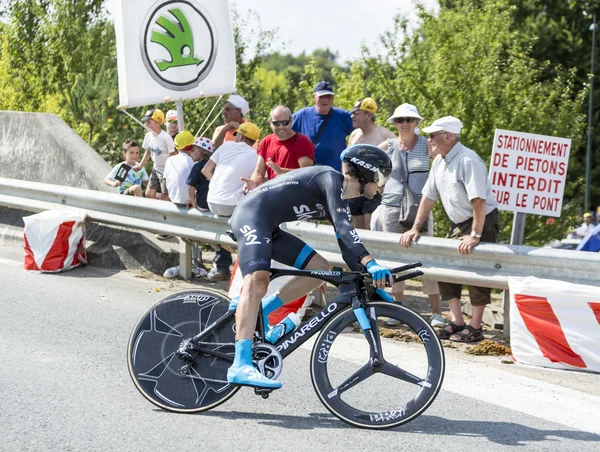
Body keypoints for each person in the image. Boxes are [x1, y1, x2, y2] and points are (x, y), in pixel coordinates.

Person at [227, 144, 394, 389]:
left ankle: (262, 310)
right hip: (250, 216)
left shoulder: (338, 198)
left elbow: (347, 247)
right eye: (381, 176)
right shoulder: (330, 179)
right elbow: (345, 229)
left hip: (269, 225)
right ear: (364, 172)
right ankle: (240, 364)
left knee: (321, 269)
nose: (382, 184)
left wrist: (368, 279)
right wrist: (371, 262)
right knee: (258, 280)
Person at [400, 116, 500, 343]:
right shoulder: (439, 161)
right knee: (445, 266)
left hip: (480, 219)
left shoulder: (468, 160)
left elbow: (479, 201)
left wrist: (475, 234)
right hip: (460, 221)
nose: (428, 139)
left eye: (433, 135)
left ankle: (475, 328)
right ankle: (457, 321)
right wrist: (415, 228)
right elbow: (428, 197)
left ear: (448, 136)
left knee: (476, 271)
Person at [371, 103, 443, 328]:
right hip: (392, 207)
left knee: (426, 258)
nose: (405, 124)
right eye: (400, 120)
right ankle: (397, 309)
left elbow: (442, 162)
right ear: (394, 123)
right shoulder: (388, 146)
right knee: (394, 261)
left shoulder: (426, 144)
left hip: (420, 208)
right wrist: (379, 186)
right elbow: (369, 163)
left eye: (409, 120)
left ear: (416, 123)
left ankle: (436, 312)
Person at [201, 122, 260, 282]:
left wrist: (216, 184)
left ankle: (224, 262)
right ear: (254, 141)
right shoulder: (255, 155)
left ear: (239, 135)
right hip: (232, 205)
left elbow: (205, 170)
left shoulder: (225, 147)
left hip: (211, 201)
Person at [346, 97, 395, 229]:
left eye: (356, 113)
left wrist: (383, 185)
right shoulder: (354, 135)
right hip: (355, 189)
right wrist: (345, 181)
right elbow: (346, 158)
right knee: (358, 232)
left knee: (371, 229)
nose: (352, 116)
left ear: (368, 115)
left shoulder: (385, 135)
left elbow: (396, 162)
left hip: (373, 189)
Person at [292, 81, 354, 171]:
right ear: (314, 97)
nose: (325, 100)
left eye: (329, 97)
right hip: (307, 172)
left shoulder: (343, 116)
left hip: (335, 172)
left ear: (333, 98)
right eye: (322, 97)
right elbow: (285, 134)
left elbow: (361, 130)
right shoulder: (301, 116)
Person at [248, 105, 314, 186]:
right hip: (274, 195)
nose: (281, 127)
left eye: (285, 123)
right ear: (270, 122)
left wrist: (282, 172)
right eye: (276, 123)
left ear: (291, 121)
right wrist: (253, 183)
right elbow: (258, 172)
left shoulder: (303, 142)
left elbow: (307, 175)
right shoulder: (265, 142)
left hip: (296, 195)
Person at [134, 108, 175, 203]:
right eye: (145, 122)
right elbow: (148, 152)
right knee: (149, 193)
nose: (145, 125)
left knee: (165, 195)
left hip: (166, 171)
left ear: (158, 123)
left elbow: (173, 154)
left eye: (149, 122)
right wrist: (140, 165)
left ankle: (165, 212)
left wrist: (173, 170)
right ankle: (154, 211)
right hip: (156, 169)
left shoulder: (166, 138)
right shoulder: (148, 136)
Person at [163, 131, 196, 206]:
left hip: (173, 200)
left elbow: (166, 180)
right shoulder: (191, 161)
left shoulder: (169, 160)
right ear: (191, 146)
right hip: (189, 202)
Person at [186, 137, 214, 210]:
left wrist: (194, 204)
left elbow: (191, 189)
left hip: (203, 203)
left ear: (201, 151)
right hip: (215, 202)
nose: (190, 153)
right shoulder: (215, 164)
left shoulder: (197, 167)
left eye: (192, 150)